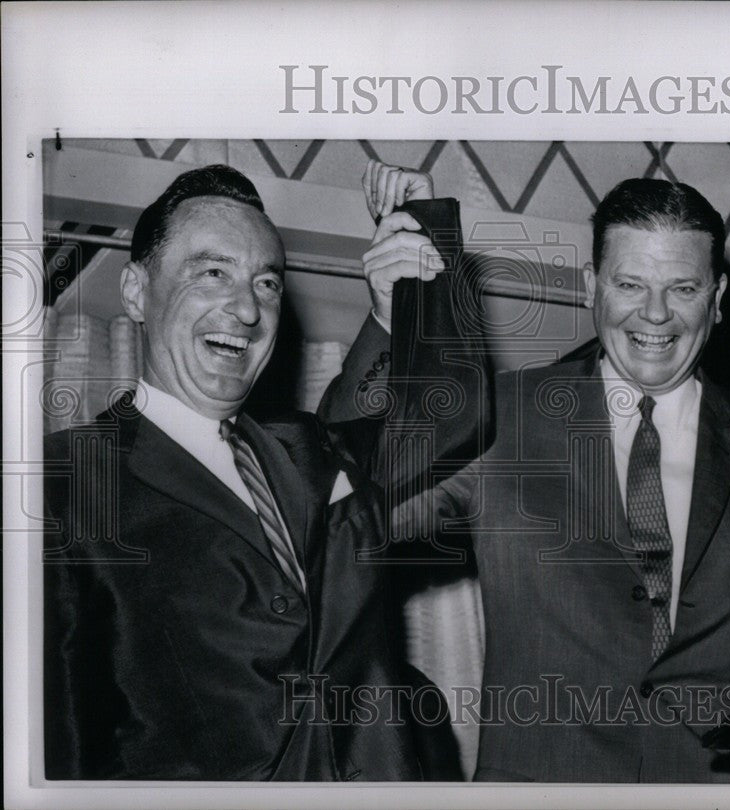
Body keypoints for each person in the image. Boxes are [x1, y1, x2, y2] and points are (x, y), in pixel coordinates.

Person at [323, 164, 730, 782]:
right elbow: (346, 506)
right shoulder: (501, 418)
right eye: (630, 284)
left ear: (717, 301)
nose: (656, 315)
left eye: (684, 289)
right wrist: (400, 314)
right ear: (591, 286)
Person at [42, 164, 458, 780]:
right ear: (135, 291)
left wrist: (422, 249)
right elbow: (61, 740)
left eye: (266, 284)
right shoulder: (60, 483)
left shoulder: (309, 449)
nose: (245, 308)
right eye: (213, 273)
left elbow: (452, 423)